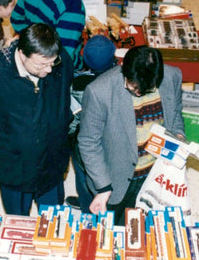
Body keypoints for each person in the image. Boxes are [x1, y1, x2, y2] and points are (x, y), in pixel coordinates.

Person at [0, 24, 73, 216]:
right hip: (15, 168)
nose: (49, 70)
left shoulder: (59, 60)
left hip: (51, 162)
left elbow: (64, 90)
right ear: (22, 54)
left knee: (53, 221)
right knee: (18, 221)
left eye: (52, 62)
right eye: (41, 65)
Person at [78, 46, 185, 225]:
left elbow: (176, 112)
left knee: (146, 228)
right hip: (118, 178)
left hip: (155, 173)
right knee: (114, 232)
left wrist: (178, 136)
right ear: (124, 70)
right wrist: (103, 187)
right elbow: (88, 142)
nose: (137, 93)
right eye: (133, 87)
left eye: (146, 90)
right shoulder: (99, 91)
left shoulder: (173, 76)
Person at [65, 34, 118, 211]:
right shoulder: (120, 81)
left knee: (83, 177)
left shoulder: (76, 83)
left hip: (84, 142)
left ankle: (87, 204)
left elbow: (71, 117)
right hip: (112, 138)